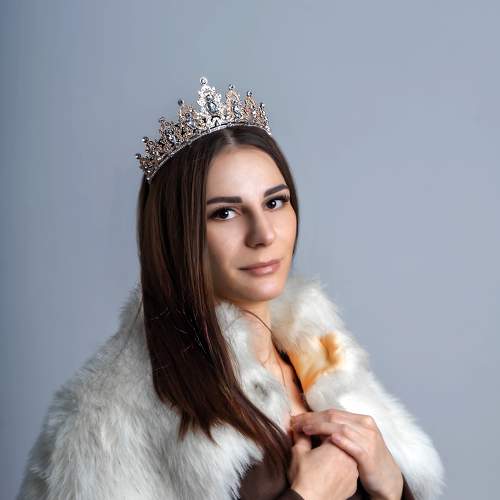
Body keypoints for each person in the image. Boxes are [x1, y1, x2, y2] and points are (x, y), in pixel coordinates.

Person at [17, 77, 445, 500]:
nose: (263, 234)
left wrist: (393, 486)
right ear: (178, 235)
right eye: (224, 213)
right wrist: (309, 495)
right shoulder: (109, 419)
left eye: (275, 202)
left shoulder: (322, 360)